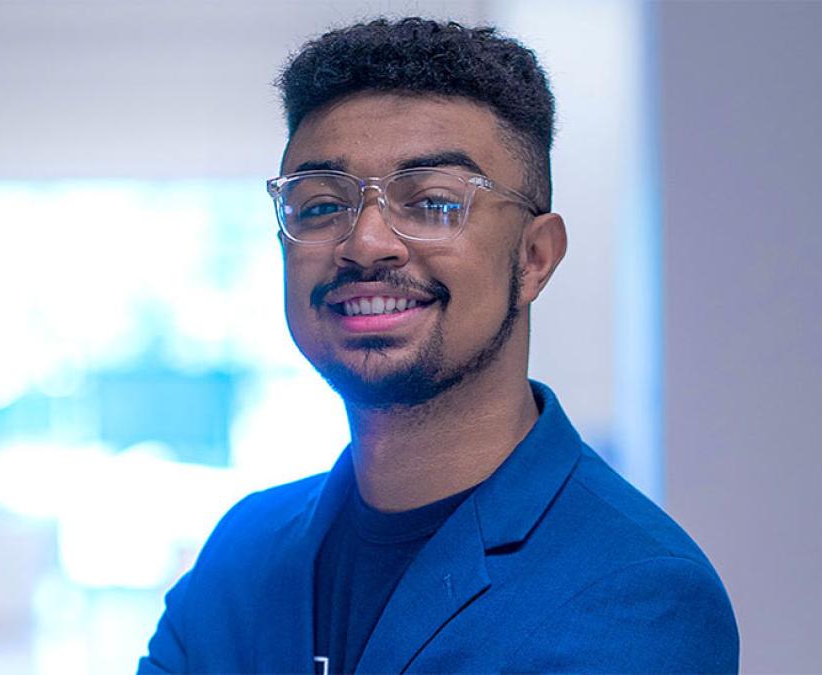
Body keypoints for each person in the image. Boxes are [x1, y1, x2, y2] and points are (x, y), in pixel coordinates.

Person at [140, 17, 738, 674]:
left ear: (535, 257)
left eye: (432, 202)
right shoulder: (243, 551)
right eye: (319, 205)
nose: (365, 242)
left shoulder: (636, 592)